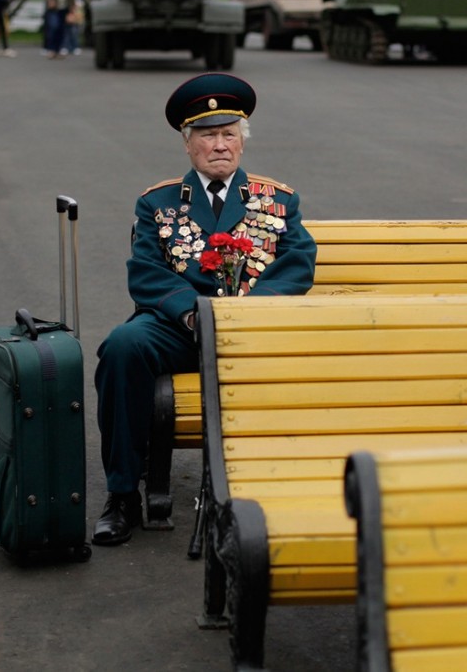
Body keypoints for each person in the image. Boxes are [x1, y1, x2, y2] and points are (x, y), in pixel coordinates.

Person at [92, 73, 317, 545]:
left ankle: (294, 489)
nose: (220, 145)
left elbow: (297, 264)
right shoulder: (158, 202)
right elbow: (147, 271)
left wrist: (250, 312)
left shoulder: (277, 201)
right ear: (188, 144)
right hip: (182, 327)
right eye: (208, 136)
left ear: (242, 141)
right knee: (122, 347)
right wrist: (190, 312)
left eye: (229, 135)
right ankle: (122, 496)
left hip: (254, 329)